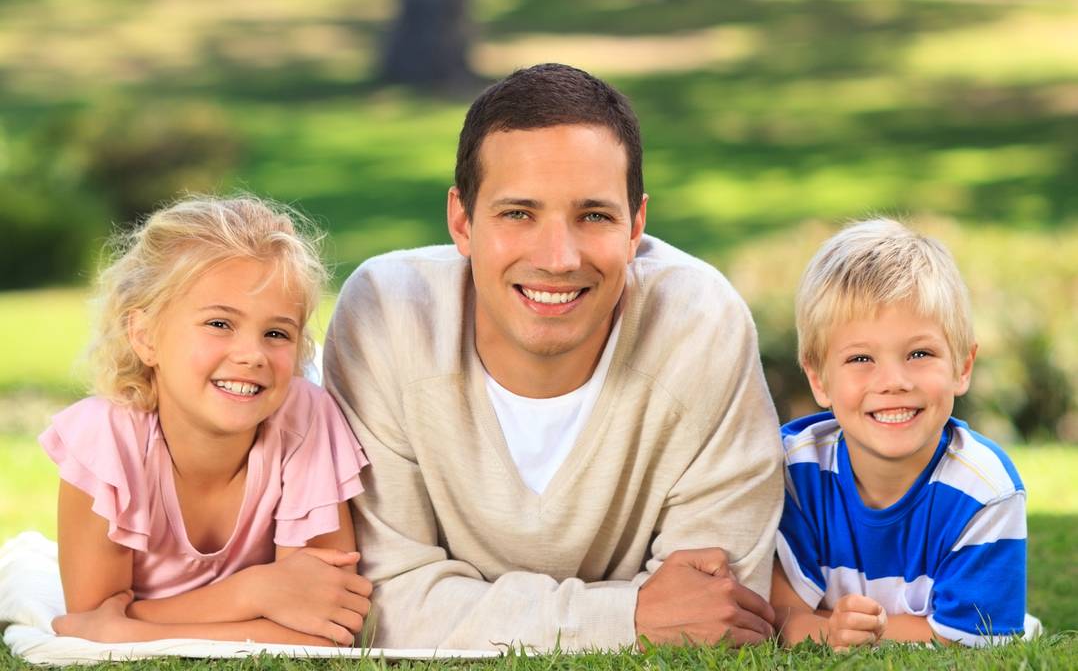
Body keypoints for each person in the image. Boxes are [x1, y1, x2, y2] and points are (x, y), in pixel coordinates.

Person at [324, 62, 783, 653]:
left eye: (593, 216)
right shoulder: (387, 316)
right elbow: (379, 600)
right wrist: (628, 618)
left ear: (636, 223)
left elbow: (719, 608)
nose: (559, 257)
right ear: (462, 221)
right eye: (519, 213)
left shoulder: (700, 326)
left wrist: (463, 612)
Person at [39, 193, 372, 648]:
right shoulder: (105, 442)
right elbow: (89, 621)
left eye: (277, 333)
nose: (252, 355)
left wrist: (132, 628)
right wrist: (255, 592)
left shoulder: (306, 421)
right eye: (219, 324)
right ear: (144, 335)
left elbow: (327, 626)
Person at [771, 217, 1039, 647]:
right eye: (861, 359)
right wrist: (823, 628)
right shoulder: (794, 470)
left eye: (919, 353)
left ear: (962, 366)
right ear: (819, 379)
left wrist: (851, 632)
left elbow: (971, 640)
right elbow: (780, 614)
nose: (894, 381)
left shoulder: (985, 490)